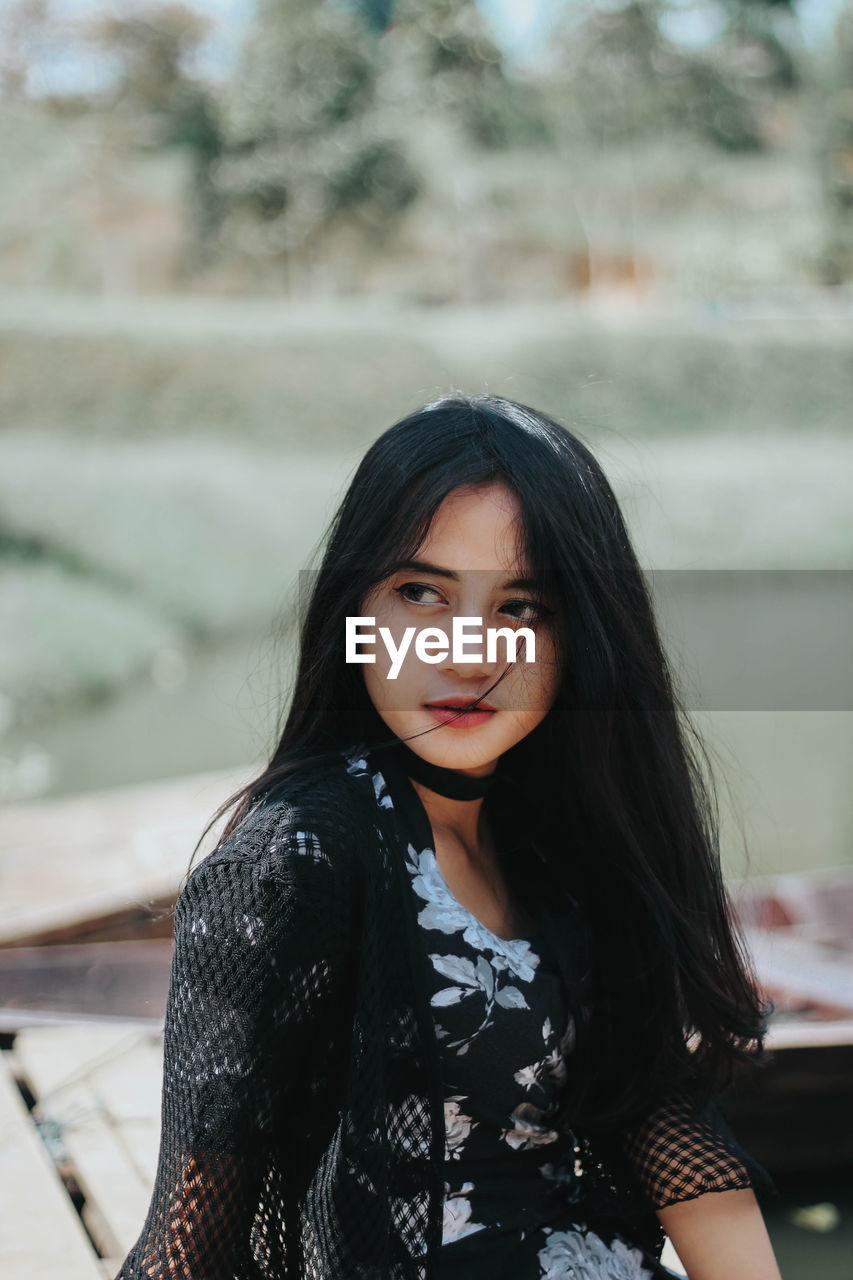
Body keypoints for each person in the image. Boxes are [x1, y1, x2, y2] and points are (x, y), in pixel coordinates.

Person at [116, 393, 783, 1279]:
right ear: (356, 617)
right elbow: (187, 1241)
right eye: (421, 593)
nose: (469, 653)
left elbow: (659, 1108)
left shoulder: (564, 831)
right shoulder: (295, 863)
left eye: (521, 608)